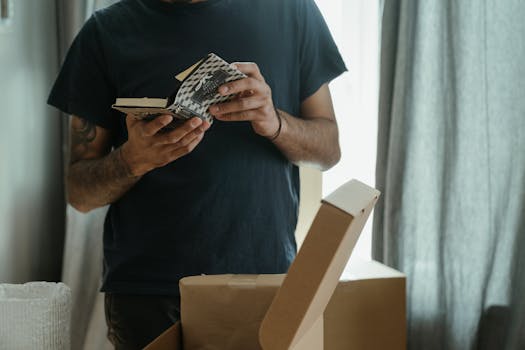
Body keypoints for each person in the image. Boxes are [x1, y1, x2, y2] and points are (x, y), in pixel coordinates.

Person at [48, 0, 346, 348]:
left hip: (263, 284)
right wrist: (132, 160)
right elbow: (79, 193)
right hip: (148, 294)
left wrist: (275, 123)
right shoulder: (104, 32)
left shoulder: (292, 11)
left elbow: (329, 150)